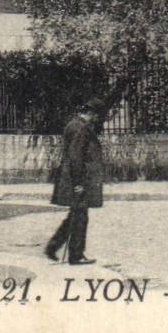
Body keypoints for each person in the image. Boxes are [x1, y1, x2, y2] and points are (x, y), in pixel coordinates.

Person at [46, 97, 107, 265]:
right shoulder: (80, 128)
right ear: (91, 113)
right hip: (78, 179)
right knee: (80, 216)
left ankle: (53, 246)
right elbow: (76, 157)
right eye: (98, 115)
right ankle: (75, 254)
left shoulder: (76, 125)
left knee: (76, 215)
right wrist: (78, 183)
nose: (98, 119)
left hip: (75, 178)